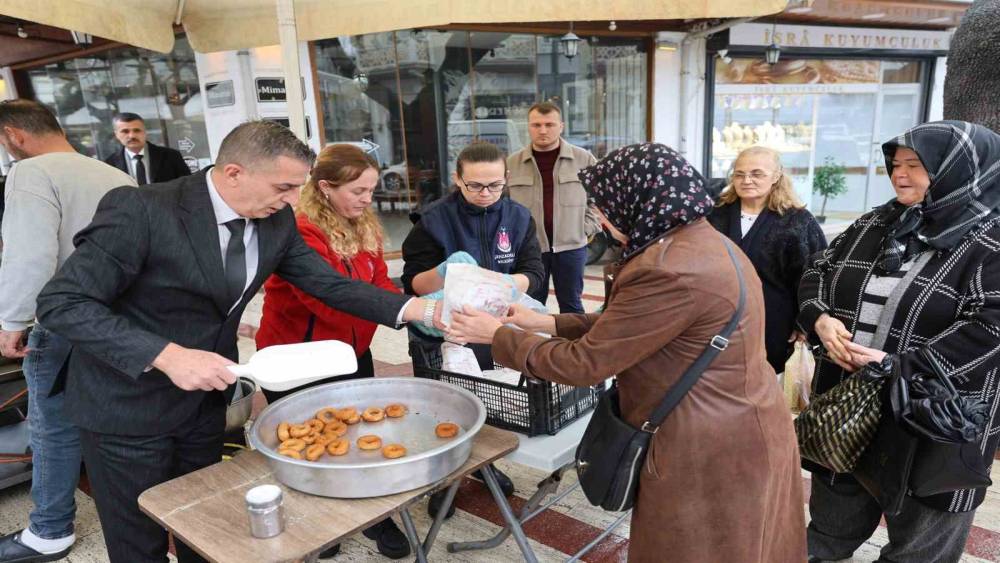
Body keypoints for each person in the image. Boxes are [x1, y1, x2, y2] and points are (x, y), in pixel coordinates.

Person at [34, 120, 440, 563]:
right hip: (125, 407)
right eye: (284, 187)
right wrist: (165, 355)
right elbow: (63, 302)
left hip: (206, 403)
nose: (293, 200)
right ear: (234, 173)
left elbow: (328, 285)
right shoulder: (143, 209)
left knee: (207, 526)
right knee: (139, 540)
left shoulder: (277, 219)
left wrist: (417, 310)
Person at [447, 143, 807, 563]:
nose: (600, 219)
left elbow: (584, 364)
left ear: (638, 200)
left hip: (707, 443)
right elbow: (637, 325)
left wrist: (496, 336)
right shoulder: (700, 239)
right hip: (737, 424)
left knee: (698, 549)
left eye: (604, 206)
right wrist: (546, 323)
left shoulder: (667, 267)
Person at [797, 121, 1000, 563]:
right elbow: (818, 268)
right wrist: (819, 319)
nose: (899, 175)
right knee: (828, 530)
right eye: (895, 165)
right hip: (850, 406)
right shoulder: (879, 220)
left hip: (935, 415)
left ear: (959, 170)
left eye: (915, 165)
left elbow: (992, 326)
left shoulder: (991, 240)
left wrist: (902, 363)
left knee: (920, 544)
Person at [254, 143, 408, 559]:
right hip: (299, 358)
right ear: (324, 187)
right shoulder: (301, 232)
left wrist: (405, 308)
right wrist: (400, 310)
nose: (367, 200)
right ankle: (320, 522)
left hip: (352, 352)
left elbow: (379, 284)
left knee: (357, 437)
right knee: (309, 448)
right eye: (358, 191)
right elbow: (327, 299)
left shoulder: (365, 225)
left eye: (372, 190)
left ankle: (376, 517)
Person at [0, 100, 135, 563]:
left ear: (15, 135)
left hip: (64, 318)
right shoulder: (114, 174)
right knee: (110, 421)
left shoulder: (32, 172)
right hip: (122, 319)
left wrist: (13, 320)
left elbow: (30, 253)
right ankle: (133, 513)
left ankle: (50, 531)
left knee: (52, 425)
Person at [401, 141, 544, 517]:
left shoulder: (518, 217)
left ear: (506, 179)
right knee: (443, 411)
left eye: (495, 186)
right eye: (475, 186)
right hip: (441, 332)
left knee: (490, 403)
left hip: (494, 328)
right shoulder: (432, 220)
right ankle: (444, 481)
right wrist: (443, 272)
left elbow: (534, 270)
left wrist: (511, 286)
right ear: (457, 179)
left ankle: (485, 465)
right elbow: (412, 283)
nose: (486, 194)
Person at [708, 145, 826, 373]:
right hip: (716, 321)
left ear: (776, 176)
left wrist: (805, 322)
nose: (746, 180)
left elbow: (814, 275)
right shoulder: (715, 214)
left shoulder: (798, 221)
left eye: (756, 173)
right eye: (739, 174)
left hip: (773, 324)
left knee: (763, 385)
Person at [507, 101, 600, 313]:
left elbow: (601, 200)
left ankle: (573, 347)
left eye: (549, 124)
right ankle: (536, 347)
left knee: (572, 305)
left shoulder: (583, 160)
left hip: (571, 247)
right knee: (530, 307)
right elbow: (504, 206)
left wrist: (584, 228)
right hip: (529, 250)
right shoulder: (512, 163)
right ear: (528, 127)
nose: (542, 130)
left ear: (561, 126)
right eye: (536, 125)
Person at [104, 112, 192, 184]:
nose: (131, 135)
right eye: (125, 131)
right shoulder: (110, 165)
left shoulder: (171, 156)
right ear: (116, 134)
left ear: (145, 132)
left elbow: (187, 185)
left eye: (137, 130)